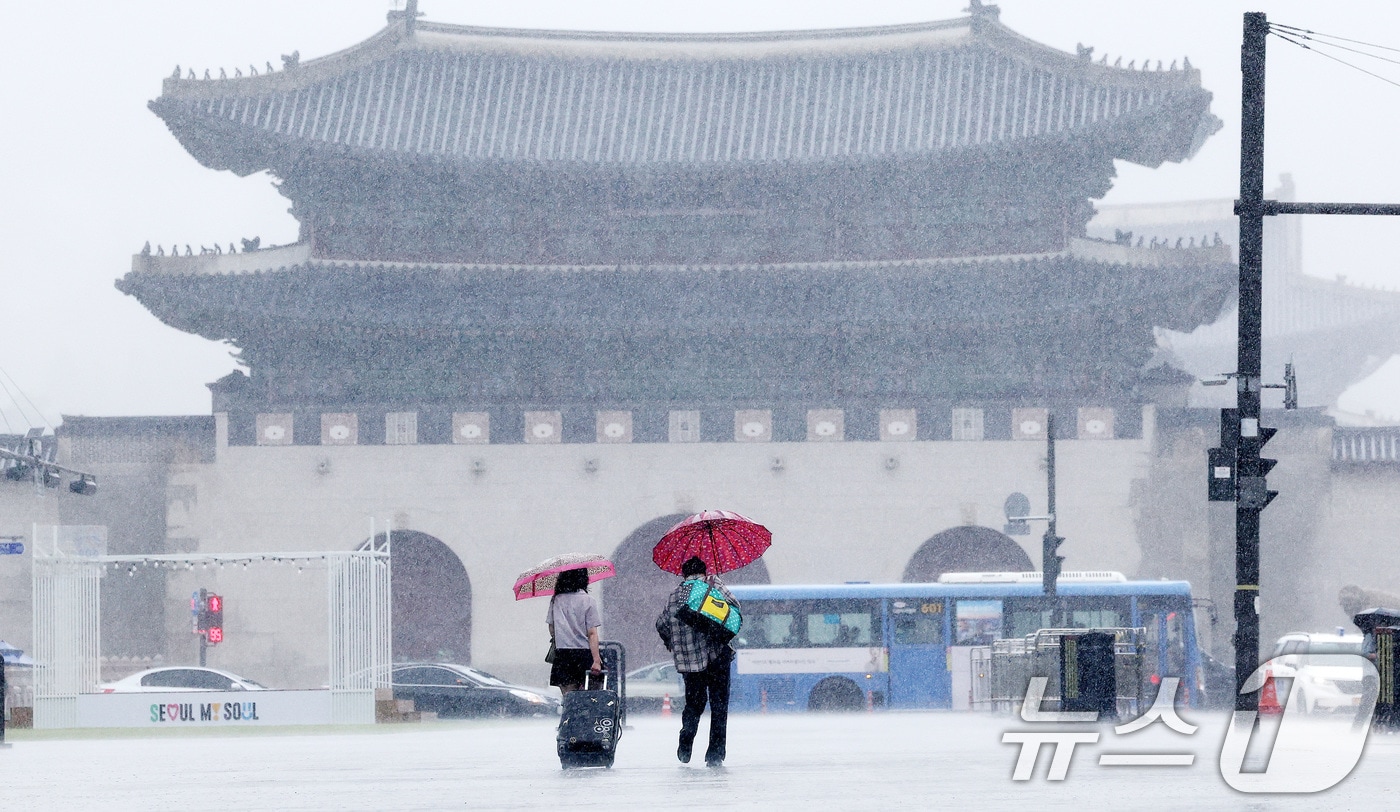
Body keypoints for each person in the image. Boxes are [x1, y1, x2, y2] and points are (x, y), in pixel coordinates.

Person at [655, 556, 738, 767]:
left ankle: (686, 739)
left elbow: (661, 623)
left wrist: (672, 644)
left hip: (690, 664)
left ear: (684, 573)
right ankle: (715, 754)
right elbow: (734, 608)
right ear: (704, 570)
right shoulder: (713, 584)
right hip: (717, 657)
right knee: (719, 707)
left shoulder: (675, 595)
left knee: (694, 704)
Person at [548, 568, 603, 697]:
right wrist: (596, 660)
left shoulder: (556, 600)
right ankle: (586, 715)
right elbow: (592, 633)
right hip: (583, 653)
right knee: (591, 697)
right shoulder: (588, 600)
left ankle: (571, 715)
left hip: (563, 654)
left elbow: (552, 629)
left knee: (569, 699)